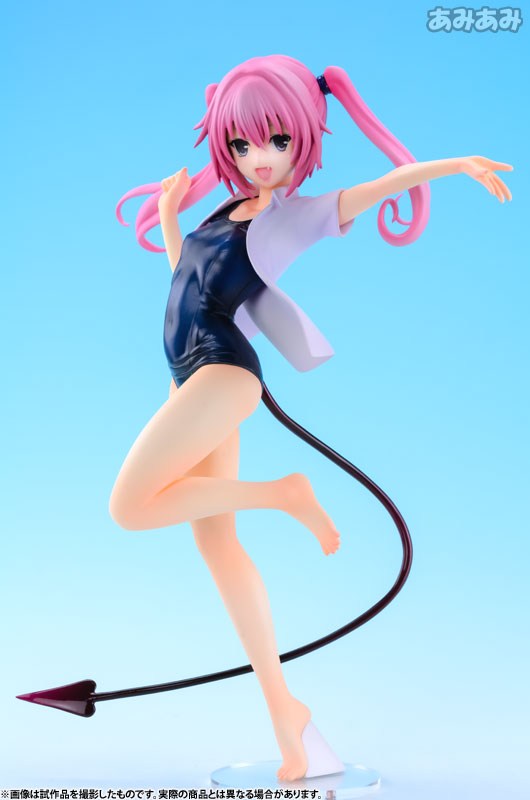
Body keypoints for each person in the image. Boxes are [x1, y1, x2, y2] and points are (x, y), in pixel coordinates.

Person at [111, 55, 512, 781]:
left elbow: (379, 186)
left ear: (302, 135)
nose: (259, 157)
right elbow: (186, 283)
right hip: (188, 379)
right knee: (219, 548)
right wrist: (170, 219)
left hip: (222, 375)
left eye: (277, 141)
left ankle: (283, 493)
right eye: (243, 144)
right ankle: (287, 716)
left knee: (130, 506)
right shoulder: (222, 212)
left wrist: (453, 165)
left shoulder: (295, 216)